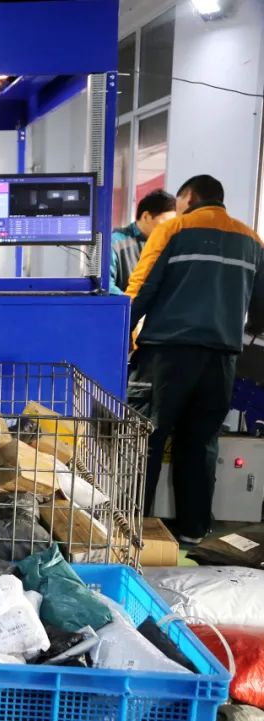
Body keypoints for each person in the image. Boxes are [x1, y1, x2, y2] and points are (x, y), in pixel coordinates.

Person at [126, 175, 264, 544]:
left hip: (166, 356)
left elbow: (141, 289)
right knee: (201, 442)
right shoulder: (251, 240)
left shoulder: (174, 229)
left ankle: (132, 529)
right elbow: (261, 311)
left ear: (188, 198)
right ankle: (193, 531)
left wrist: (121, 334)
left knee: (146, 439)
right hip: (221, 360)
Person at [111, 190, 177, 293]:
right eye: (167, 224)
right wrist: (130, 301)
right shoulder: (115, 243)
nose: (170, 229)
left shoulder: (170, 245)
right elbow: (106, 286)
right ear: (146, 216)